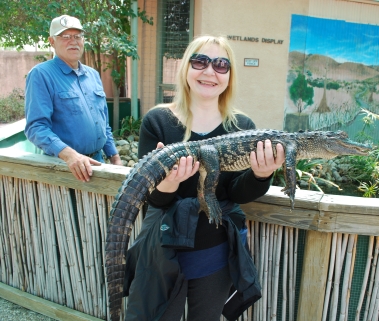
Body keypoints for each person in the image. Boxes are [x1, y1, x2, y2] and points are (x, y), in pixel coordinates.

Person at [123, 35, 285, 320]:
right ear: (186, 68)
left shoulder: (242, 126)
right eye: (200, 61)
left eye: (221, 65)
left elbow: (235, 193)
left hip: (215, 250)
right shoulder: (157, 121)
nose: (210, 71)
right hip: (163, 249)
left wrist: (261, 175)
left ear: (229, 75)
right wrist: (169, 182)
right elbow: (153, 200)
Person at [24, 15, 122, 182]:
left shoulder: (92, 75)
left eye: (77, 36)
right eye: (65, 37)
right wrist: (70, 156)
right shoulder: (41, 75)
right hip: (65, 168)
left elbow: (102, 122)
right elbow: (36, 127)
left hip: (97, 162)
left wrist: (114, 156)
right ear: (52, 41)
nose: (73, 41)